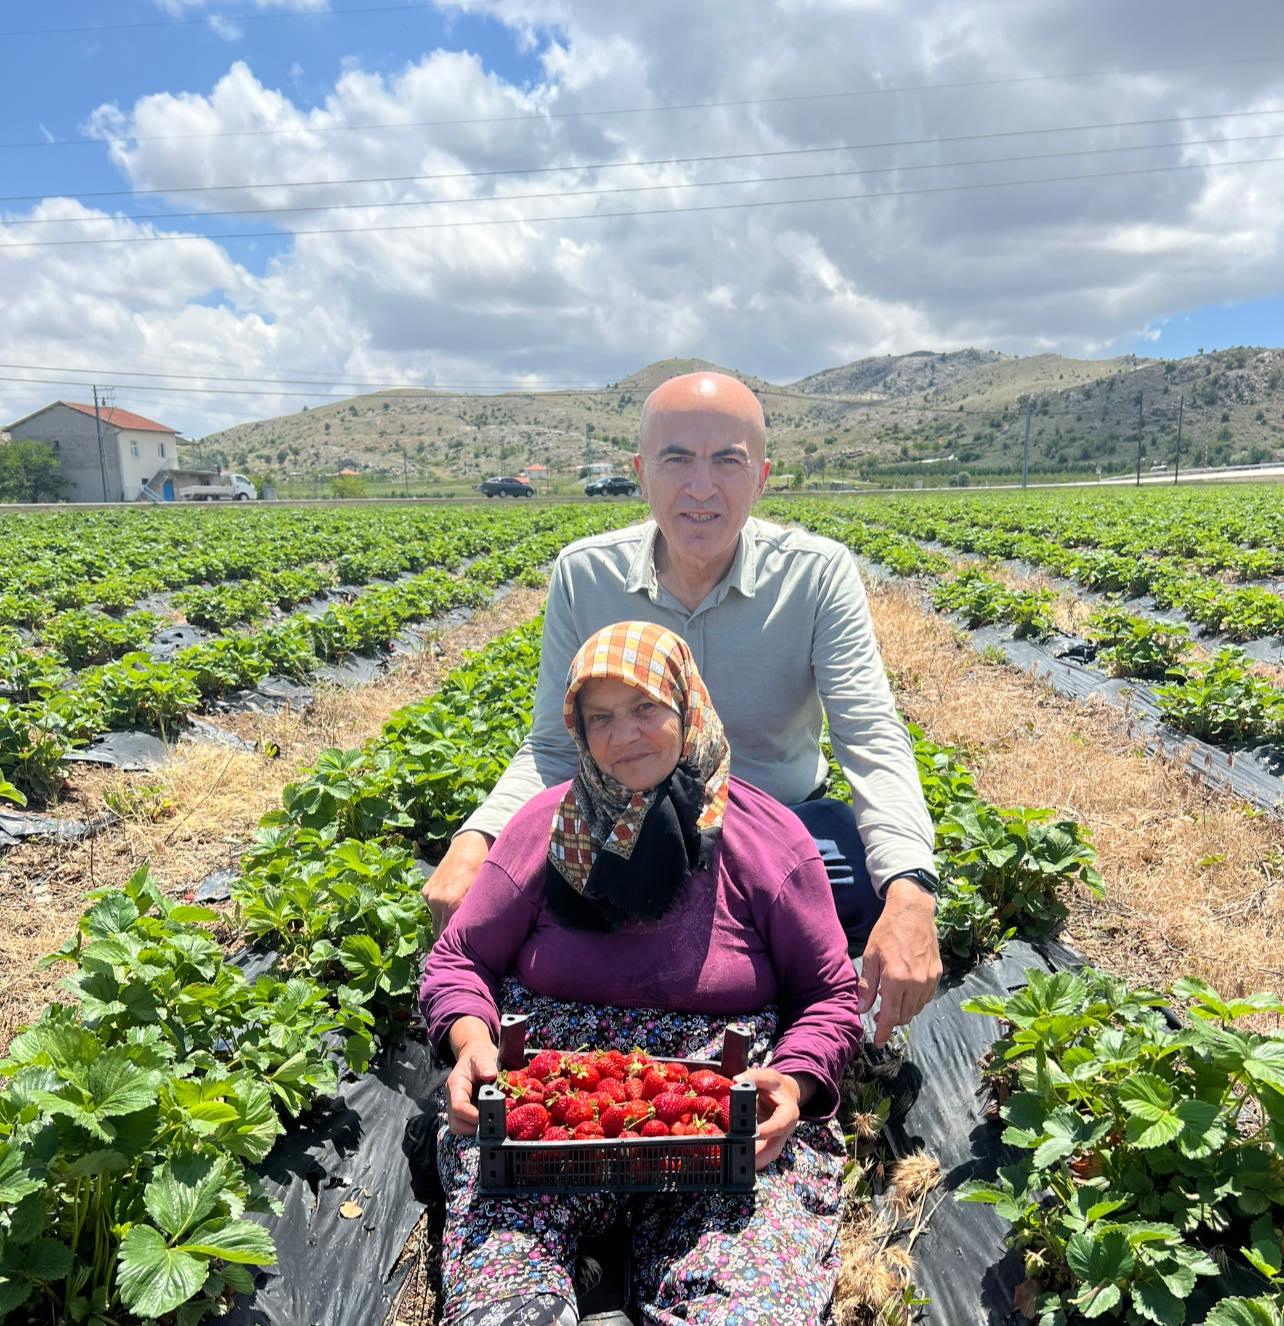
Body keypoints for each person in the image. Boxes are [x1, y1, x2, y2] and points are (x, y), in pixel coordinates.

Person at [426, 369, 941, 1048]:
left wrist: (910, 889)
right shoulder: (585, 574)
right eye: (677, 460)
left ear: (762, 477)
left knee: (846, 899)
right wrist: (477, 841)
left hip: (778, 831)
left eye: (728, 460)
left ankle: (809, 1030)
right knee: (520, 906)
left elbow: (869, 735)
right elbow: (551, 749)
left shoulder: (816, 575)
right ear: (642, 473)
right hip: (625, 821)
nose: (701, 487)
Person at [420, 621, 864, 1325]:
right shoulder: (544, 829)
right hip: (552, 1114)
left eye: (645, 708)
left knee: (748, 1305)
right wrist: (473, 1040)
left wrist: (796, 1079)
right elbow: (460, 959)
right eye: (600, 717)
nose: (623, 735)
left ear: (687, 707)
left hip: (718, 1122)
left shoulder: (767, 840)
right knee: (504, 1293)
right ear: (578, 729)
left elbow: (829, 994)